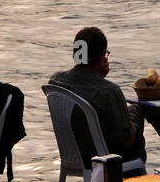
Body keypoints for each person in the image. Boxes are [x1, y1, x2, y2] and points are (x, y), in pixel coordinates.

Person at [49, 27, 146, 165]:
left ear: (76, 54)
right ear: (102, 57)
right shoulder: (110, 91)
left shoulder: (56, 81)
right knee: (137, 111)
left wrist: (98, 77)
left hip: (75, 154)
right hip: (106, 159)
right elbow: (128, 140)